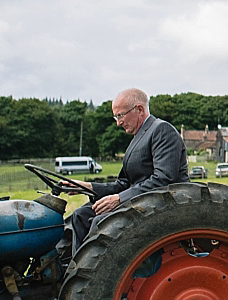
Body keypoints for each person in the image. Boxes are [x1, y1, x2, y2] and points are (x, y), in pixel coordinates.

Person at [64, 88, 188, 249]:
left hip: (163, 204)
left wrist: (119, 199)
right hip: (141, 201)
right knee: (81, 215)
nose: (118, 122)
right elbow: (124, 183)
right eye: (115, 117)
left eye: (120, 115)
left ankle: (96, 272)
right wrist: (88, 187)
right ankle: (74, 268)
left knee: (100, 222)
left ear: (139, 109)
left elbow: (163, 178)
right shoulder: (137, 138)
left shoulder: (162, 130)